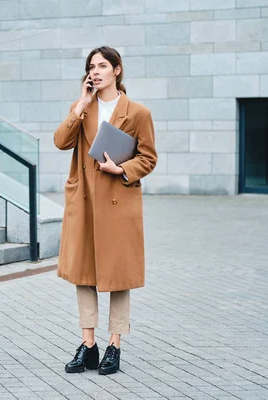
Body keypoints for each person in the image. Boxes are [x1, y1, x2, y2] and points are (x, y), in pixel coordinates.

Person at [53, 46, 158, 375]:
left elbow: (148, 158)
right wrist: (82, 104)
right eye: (90, 67)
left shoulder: (137, 112)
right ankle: (88, 346)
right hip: (83, 202)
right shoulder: (81, 107)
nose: (95, 71)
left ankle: (114, 345)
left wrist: (121, 169)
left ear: (117, 70)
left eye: (102, 66)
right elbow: (61, 141)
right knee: (82, 273)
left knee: (117, 275)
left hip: (118, 200)